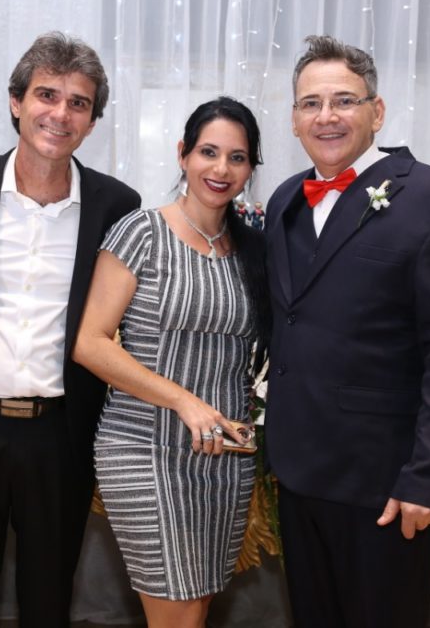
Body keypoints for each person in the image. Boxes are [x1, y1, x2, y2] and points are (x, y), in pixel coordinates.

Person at [263, 35, 430, 627]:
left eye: (344, 100)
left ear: (376, 111)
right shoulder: (284, 201)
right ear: (293, 119)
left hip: (385, 483)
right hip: (298, 471)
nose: (327, 116)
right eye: (311, 103)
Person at [0, 31, 141, 626]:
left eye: (79, 102)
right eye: (47, 94)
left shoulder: (117, 205)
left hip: (60, 436)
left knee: (49, 603)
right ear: (16, 101)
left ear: (92, 122)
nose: (60, 113)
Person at [73, 97, 271, 628]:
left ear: (251, 168)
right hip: (144, 448)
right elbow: (89, 342)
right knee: (176, 613)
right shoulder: (141, 232)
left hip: (224, 457)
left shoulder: (252, 249)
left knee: (195, 609)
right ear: (183, 153)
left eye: (237, 157)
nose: (221, 169)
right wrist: (184, 401)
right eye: (208, 152)